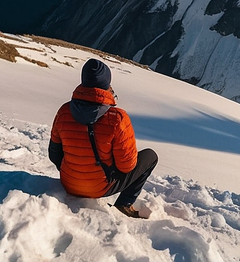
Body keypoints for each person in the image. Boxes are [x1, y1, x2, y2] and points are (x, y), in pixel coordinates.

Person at [49, 58, 158, 218]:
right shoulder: (117, 118)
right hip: (100, 187)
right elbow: (127, 166)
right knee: (150, 156)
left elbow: (54, 154)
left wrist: (74, 170)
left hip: (69, 183)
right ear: (107, 83)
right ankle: (125, 203)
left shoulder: (64, 111)